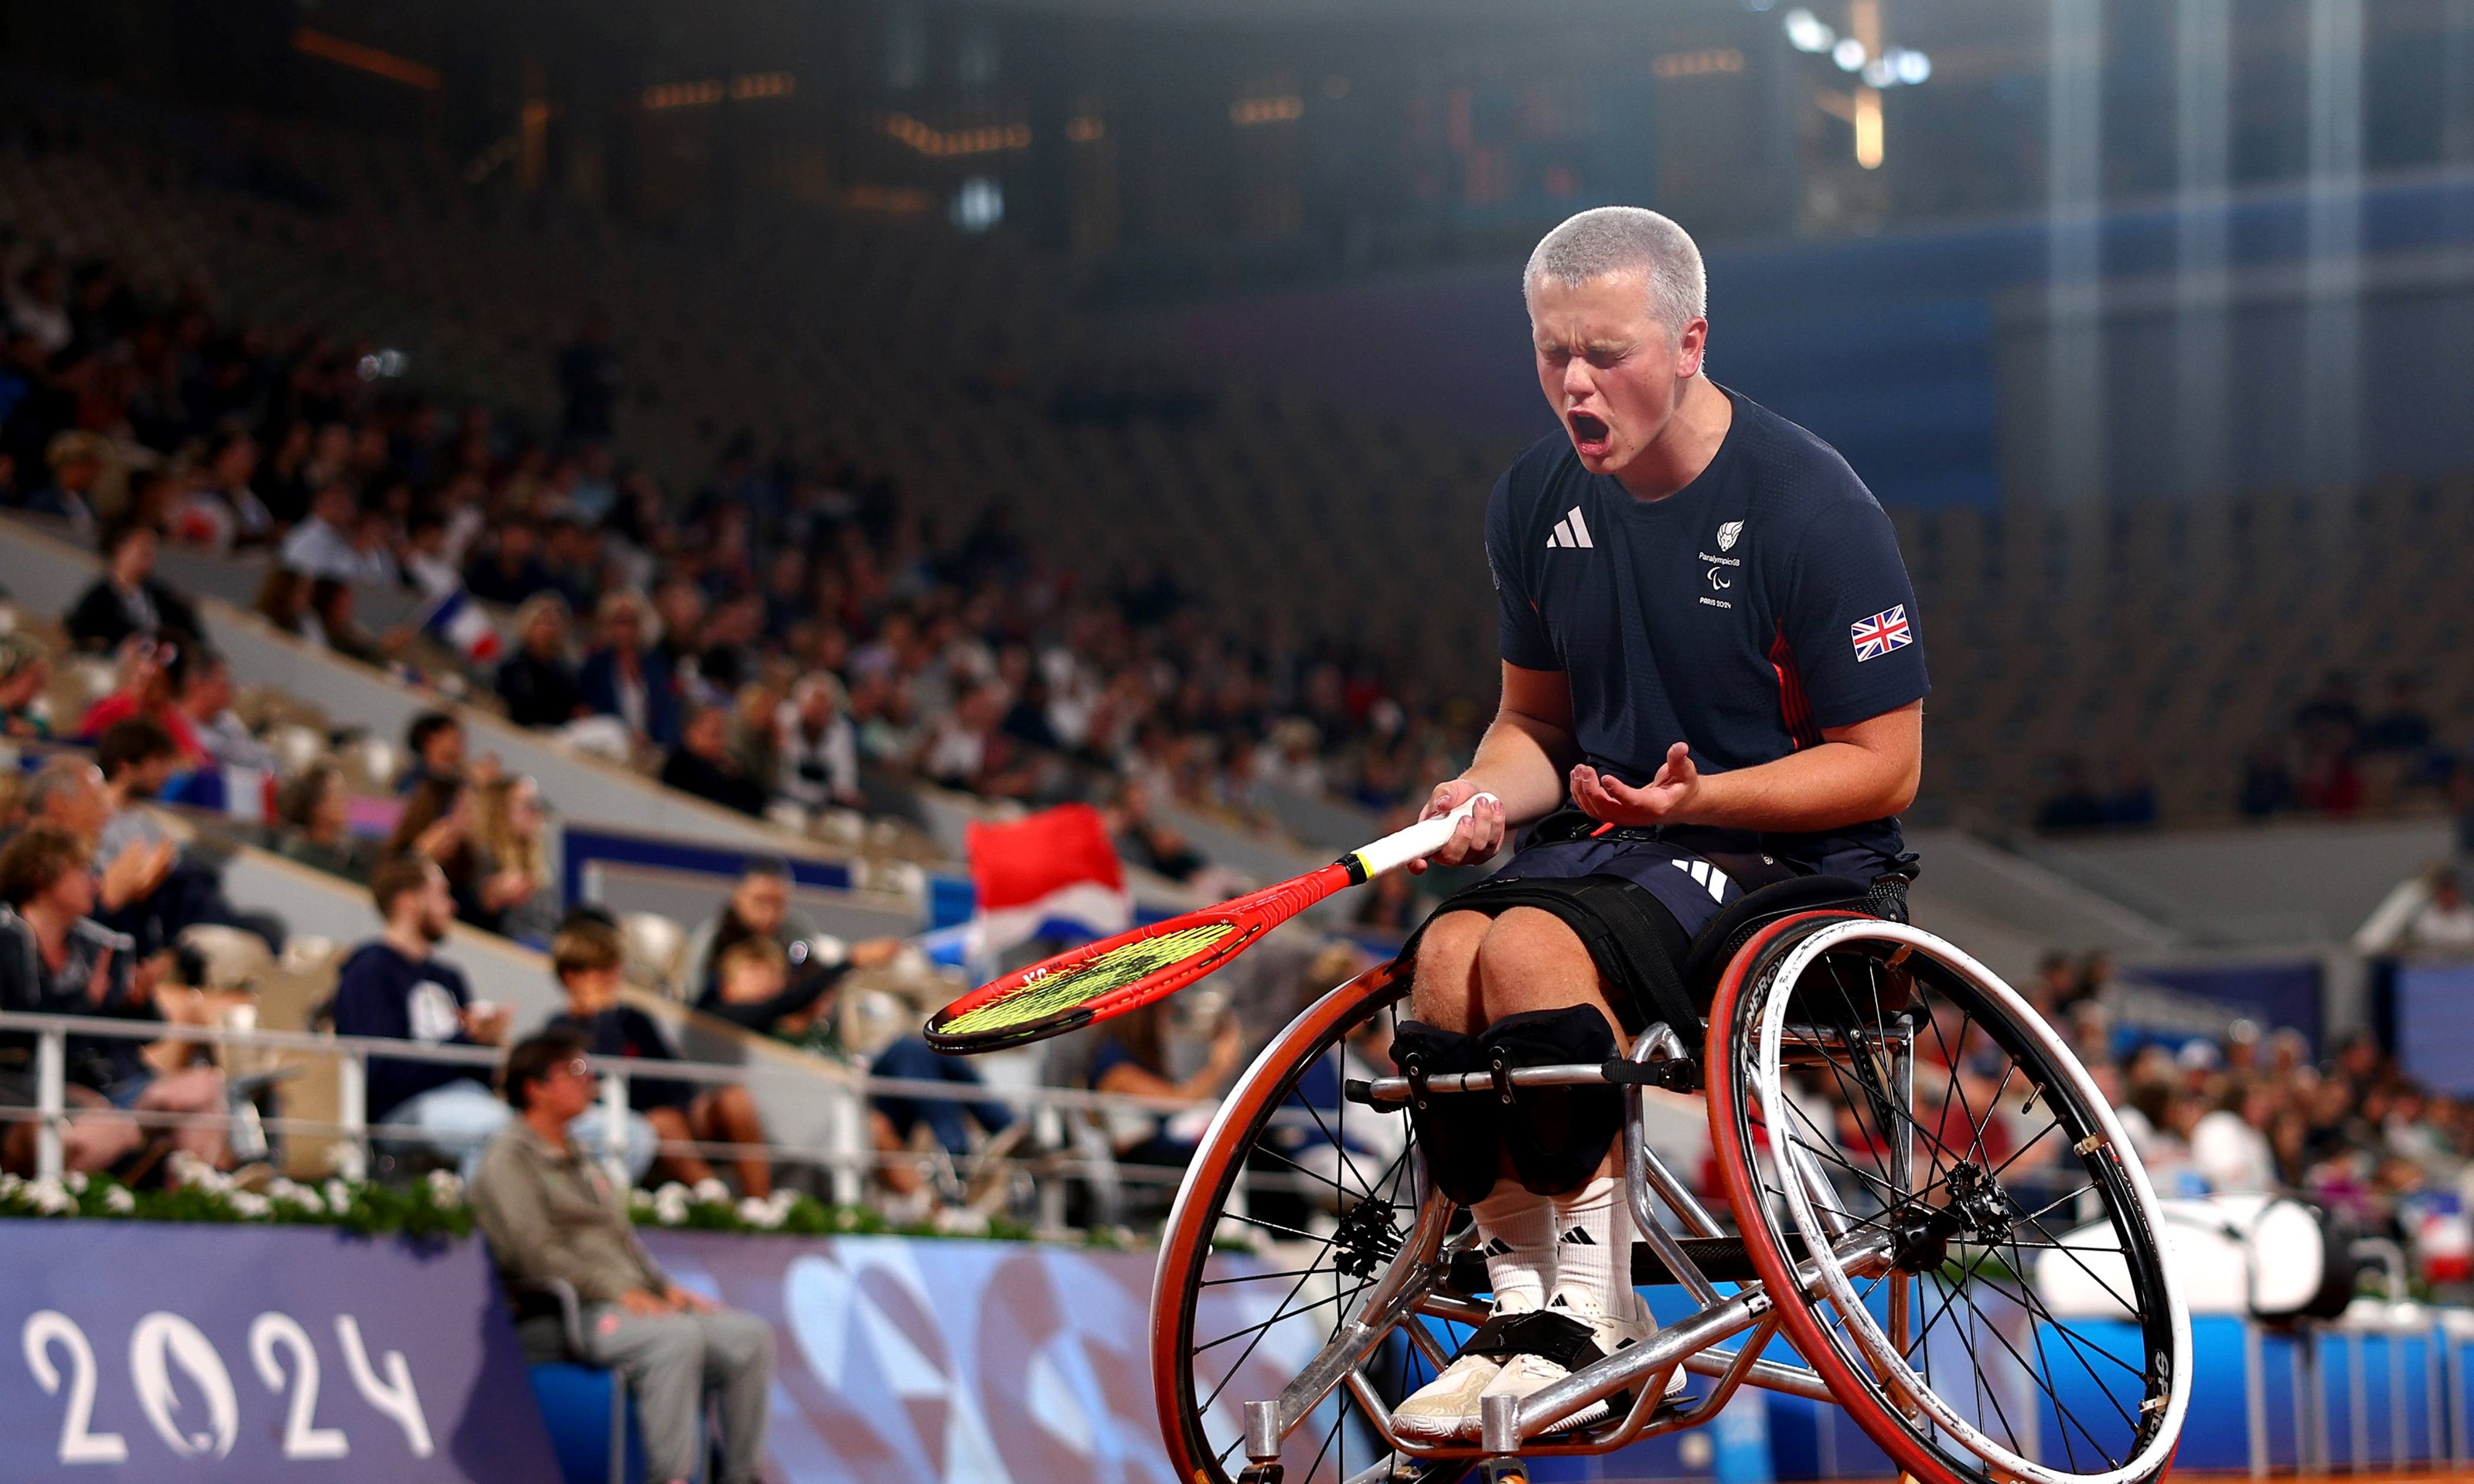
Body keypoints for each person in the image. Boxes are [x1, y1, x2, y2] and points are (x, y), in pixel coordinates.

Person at [1388, 207, 1930, 1440]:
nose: (1574, 383)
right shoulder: (1531, 501)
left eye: (1607, 353)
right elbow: (1534, 727)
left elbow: (1886, 765)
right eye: (1549, 354)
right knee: (1445, 957)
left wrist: (1706, 798)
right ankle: (1525, 1313)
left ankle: (1602, 1318)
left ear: (1689, 342)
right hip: (1627, 844)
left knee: (1528, 948)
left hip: (1799, 859)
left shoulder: (1809, 504)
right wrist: (1480, 792)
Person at [469, 1030, 775, 1484]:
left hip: (629, 1299)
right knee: (675, 1339)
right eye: (575, 1072)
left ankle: (741, 1475)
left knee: (748, 1336)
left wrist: (663, 1287)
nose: (590, 1080)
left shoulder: (582, 1158)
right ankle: (670, 1478)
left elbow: (622, 1240)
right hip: (571, 1312)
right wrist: (617, 1291)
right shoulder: (508, 1160)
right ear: (535, 1087)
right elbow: (532, 1254)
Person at [0, 825, 229, 1176]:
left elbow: (152, 1033)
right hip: (39, 1090)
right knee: (100, 1130)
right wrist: (85, 1000)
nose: (94, 882)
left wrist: (140, 1001)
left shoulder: (98, 944)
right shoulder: (7, 940)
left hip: (114, 1085)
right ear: (42, 877)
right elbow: (19, 1033)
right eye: (82, 872)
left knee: (205, 1087)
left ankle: (187, 1203)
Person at [544, 922, 774, 1196]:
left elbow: (672, 1075)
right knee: (663, 1121)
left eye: (613, 968)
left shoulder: (636, 1019)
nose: (612, 978)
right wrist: (603, 1017)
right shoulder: (560, 1030)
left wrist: (693, 1107)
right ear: (572, 978)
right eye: (600, 970)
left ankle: (761, 1204)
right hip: (639, 1126)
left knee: (734, 1099)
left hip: (677, 1117)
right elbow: (605, 1075)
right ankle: (715, 1197)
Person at [65, 522, 201, 653]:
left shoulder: (163, 596)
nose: (150, 552)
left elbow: (191, 636)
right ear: (119, 548)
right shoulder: (98, 600)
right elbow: (83, 641)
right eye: (143, 547)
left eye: (152, 548)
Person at [274, 763, 380, 883]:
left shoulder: (347, 858)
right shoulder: (298, 858)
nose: (346, 802)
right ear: (318, 807)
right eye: (338, 795)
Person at [659, 703, 768, 817]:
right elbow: (724, 800)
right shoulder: (680, 765)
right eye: (714, 734)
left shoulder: (719, 768)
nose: (720, 743)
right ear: (692, 732)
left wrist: (734, 774)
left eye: (722, 735)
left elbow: (758, 799)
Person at [496, 593, 585, 730]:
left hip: (557, 735)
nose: (548, 629)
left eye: (553, 623)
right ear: (529, 625)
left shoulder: (564, 671)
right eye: (542, 622)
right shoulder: (513, 666)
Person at [397, 710, 468, 795]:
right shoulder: (415, 781)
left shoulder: (458, 783)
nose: (461, 745)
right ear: (433, 738)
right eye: (455, 739)